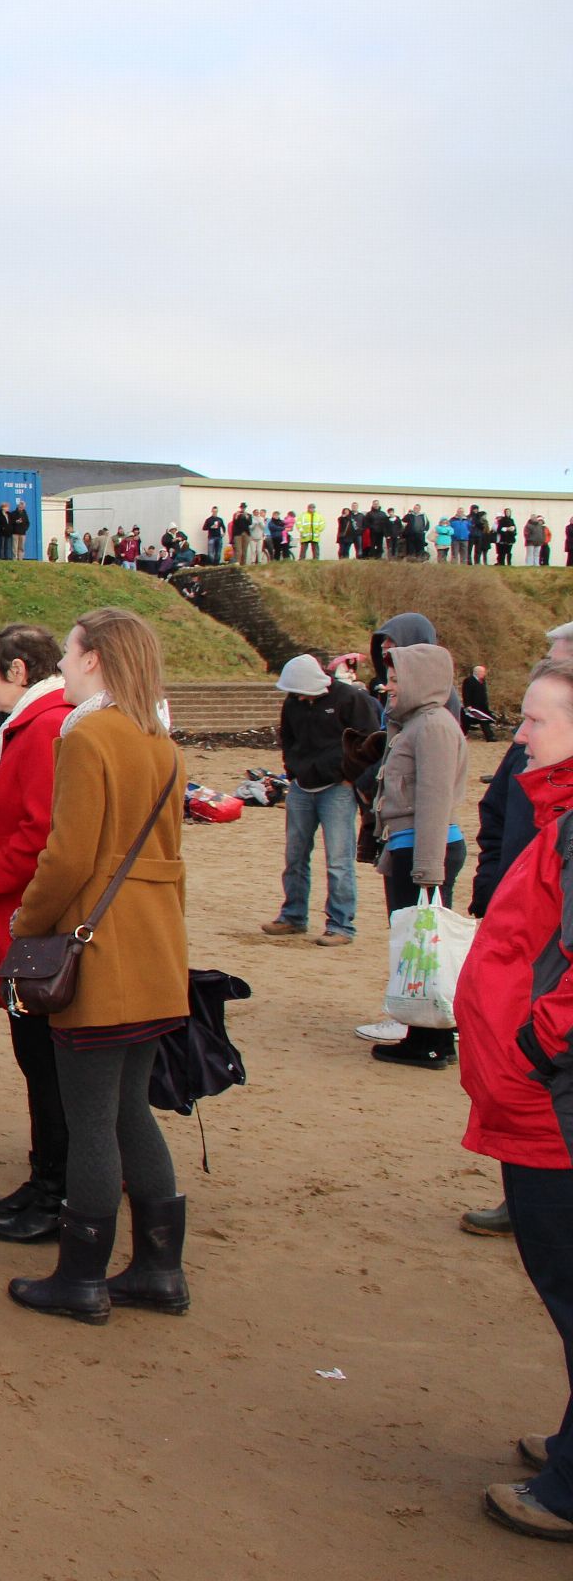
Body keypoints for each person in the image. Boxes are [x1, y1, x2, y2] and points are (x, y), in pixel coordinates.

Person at [6, 608, 191, 1323]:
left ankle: (82, 1278)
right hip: (154, 946)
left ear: (94, 659)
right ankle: (158, 1269)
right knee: (130, 1110)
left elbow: (69, 856)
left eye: (71, 652)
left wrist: (27, 925)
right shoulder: (159, 740)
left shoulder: (86, 736)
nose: (61, 666)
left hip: (100, 946)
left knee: (90, 1119)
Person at [449, 657, 573, 1539]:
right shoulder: (557, 815)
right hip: (537, 1097)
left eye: (535, 720)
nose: (517, 734)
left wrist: (536, 1046)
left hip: (553, 1105)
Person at [0, 625, 74, 1244]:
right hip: (22, 907)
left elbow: (41, 831)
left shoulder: (44, 727)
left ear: (18, 671)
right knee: (38, 1057)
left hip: (24, 913)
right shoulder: (39, 724)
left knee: (44, 1058)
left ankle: (56, 1189)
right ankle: (45, 1178)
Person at [368, 639, 470, 1070]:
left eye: (396, 679)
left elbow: (433, 799)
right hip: (411, 846)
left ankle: (431, 1041)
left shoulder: (433, 727)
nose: (388, 686)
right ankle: (428, 1037)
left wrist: (428, 868)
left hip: (425, 848)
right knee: (417, 946)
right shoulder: (416, 724)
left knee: (426, 947)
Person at [262, 654, 380, 945]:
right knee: (295, 855)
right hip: (302, 787)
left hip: (337, 788)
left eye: (301, 691)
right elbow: (288, 738)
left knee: (338, 860)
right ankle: (293, 916)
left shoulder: (351, 699)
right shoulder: (293, 702)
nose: (298, 697)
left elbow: (371, 740)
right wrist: (292, 772)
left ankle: (341, 925)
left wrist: (351, 776)